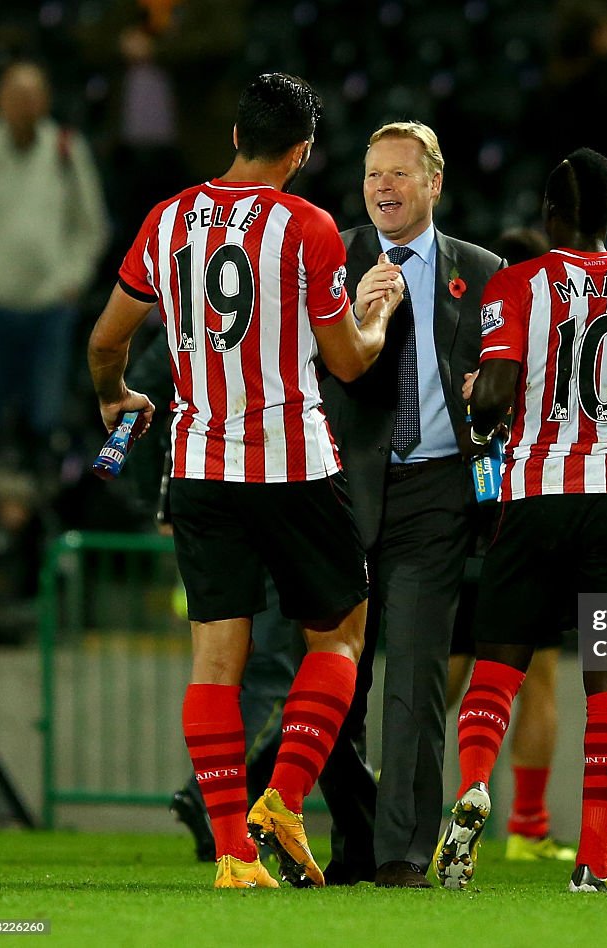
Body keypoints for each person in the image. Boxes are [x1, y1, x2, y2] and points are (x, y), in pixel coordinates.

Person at [87, 72, 404, 889]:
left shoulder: (166, 220)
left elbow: (105, 341)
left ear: (234, 137)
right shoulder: (309, 225)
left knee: (214, 665)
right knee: (337, 638)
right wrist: (378, 314)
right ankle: (285, 799)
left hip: (198, 467)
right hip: (294, 464)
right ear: (300, 153)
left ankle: (232, 854)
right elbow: (346, 361)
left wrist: (115, 398)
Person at [435, 148, 607, 895]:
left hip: (534, 494)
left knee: (499, 667)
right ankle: (594, 863)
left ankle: (476, 785)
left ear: (550, 215)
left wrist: (485, 394)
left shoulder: (516, 285)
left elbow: (497, 392)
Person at [318, 121, 504, 889]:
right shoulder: (331, 259)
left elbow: (509, 382)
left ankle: (398, 856)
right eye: (371, 175)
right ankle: (355, 842)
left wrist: (488, 403)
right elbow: (311, 375)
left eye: (398, 174)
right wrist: (359, 318)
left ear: (434, 183)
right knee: (336, 685)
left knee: (415, 681)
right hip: (340, 490)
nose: (382, 187)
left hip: (436, 490)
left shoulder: (486, 272)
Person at [445, 225, 575, 864]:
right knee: (538, 676)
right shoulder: (558, 340)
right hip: (530, 520)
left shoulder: (475, 336)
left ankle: (405, 793)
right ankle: (527, 823)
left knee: (445, 675)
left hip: (465, 527)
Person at [0, 61, 108, 467]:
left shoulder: (65, 149)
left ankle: (41, 507)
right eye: (15, 95)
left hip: (49, 307)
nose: (23, 104)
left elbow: (92, 225)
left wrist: (73, 280)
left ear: (45, 101)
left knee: (46, 418)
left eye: (31, 95)